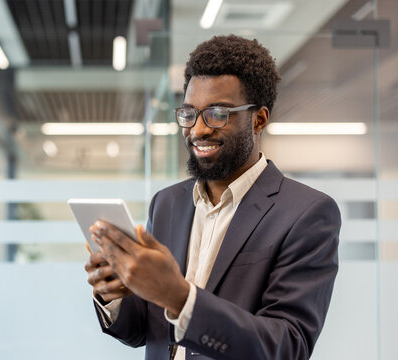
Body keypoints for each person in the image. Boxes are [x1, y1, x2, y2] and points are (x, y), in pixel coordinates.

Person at [84, 34, 341, 360]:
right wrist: (117, 294)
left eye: (218, 114)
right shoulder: (167, 204)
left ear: (258, 119)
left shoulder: (307, 214)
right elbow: (146, 332)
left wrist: (178, 296)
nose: (198, 130)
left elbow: (287, 346)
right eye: (189, 113)